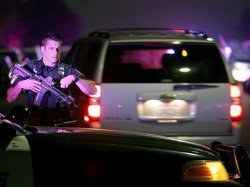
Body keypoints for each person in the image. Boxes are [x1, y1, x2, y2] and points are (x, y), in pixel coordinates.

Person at [6, 33, 97, 126]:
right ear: (43, 49)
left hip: (60, 125)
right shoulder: (29, 67)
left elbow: (93, 90)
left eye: (58, 49)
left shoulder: (66, 70)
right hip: (34, 124)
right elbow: (10, 98)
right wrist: (20, 85)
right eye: (51, 48)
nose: (55, 53)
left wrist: (74, 78)